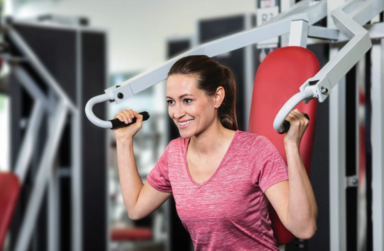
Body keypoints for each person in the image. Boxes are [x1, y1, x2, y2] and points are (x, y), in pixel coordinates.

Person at [113, 55, 317, 250]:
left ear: (217, 97)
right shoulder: (175, 153)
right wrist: (124, 140)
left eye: (187, 100)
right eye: (171, 102)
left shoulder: (254, 150)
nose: (176, 113)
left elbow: (304, 228)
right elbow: (136, 208)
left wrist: (291, 146)